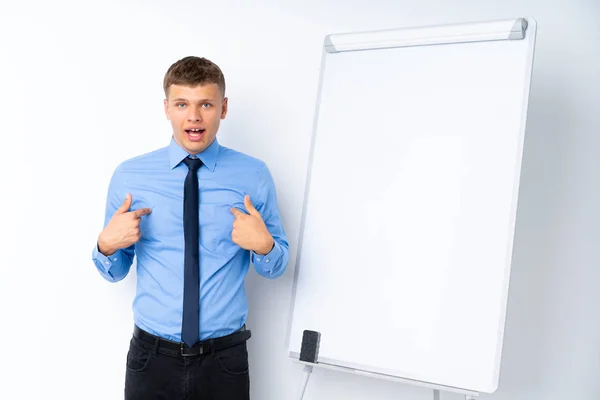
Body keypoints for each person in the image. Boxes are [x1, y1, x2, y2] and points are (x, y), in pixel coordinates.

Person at [92, 56, 290, 400]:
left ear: (223, 108)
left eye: (206, 104)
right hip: (150, 360)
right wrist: (107, 247)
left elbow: (278, 266)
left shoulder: (253, 175)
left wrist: (265, 247)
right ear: (167, 108)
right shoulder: (130, 176)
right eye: (182, 104)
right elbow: (115, 272)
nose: (194, 116)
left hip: (224, 361)